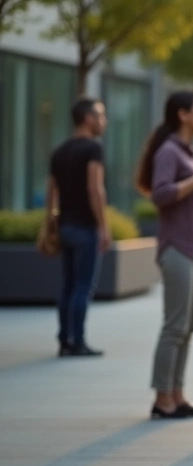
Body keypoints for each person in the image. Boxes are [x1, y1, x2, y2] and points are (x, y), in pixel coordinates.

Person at [137, 91, 193, 419]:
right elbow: (160, 194)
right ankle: (162, 399)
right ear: (183, 115)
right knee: (175, 326)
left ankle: (178, 394)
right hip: (178, 249)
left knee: (189, 325)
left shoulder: (188, 151)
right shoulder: (170, 151)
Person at [47, 98, 109, 358]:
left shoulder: (59, 151)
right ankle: (78, 341)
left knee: (68, 286)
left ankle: (64, 340)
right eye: (101, 115)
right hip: (85, 227)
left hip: (65, 226)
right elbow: (95, 188)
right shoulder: (93, 149)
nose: (104, 121)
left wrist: (49, 223)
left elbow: (51, 192)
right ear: (88, 118)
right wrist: (103, 226)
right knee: (83, 286)